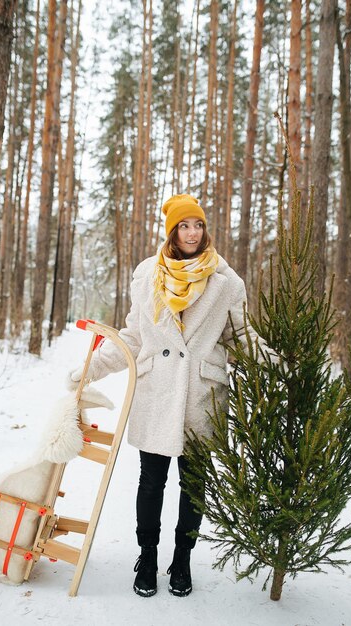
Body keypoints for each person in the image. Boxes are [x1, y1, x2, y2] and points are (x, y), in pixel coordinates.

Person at [68, 193, 273, 598]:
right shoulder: (147, 276)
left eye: (197, 225)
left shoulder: (226, 281)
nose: (192, 232)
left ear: (205, 229)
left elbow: (241, 337)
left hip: (201, 392)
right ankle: (147, 556)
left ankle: (182, 560)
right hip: (157, 390)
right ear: (172, 232)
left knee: (195, 484)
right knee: (151, 481)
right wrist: (89, 370)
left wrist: (280, 366)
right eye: (184, 226)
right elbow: (132, 335)